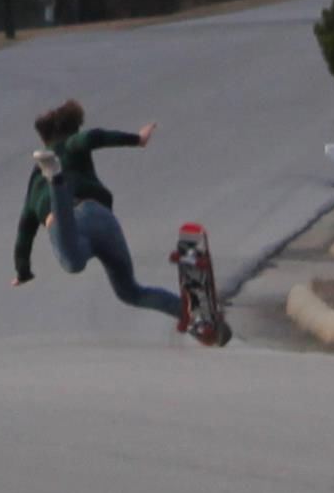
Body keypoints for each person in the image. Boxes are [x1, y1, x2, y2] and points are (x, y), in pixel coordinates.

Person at [11, 99, 227, 345]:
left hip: (69, 222)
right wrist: (137, 139)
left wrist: (23, 271)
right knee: (130, 291)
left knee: (73, 262)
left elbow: (25, 230)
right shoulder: (73, 144)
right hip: (102, 219)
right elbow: (93, 137)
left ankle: (56, 181)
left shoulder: (36, 181)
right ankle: (194, 315)